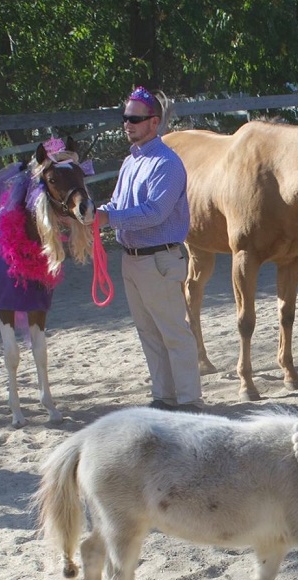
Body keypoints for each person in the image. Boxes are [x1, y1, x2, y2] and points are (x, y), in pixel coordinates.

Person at [96, 86, 203, 411]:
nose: (127, 123)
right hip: (134, 259)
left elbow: (155, 212)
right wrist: (94, 213)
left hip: (159, 258)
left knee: (172, 332)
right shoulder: (131, 163)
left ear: (153, 122)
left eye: (134, 119)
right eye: (125, 117)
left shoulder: (167, 164)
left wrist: (108, 218)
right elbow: (117, 203)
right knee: (149, 332)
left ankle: (189, 401)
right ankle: (165, 397)